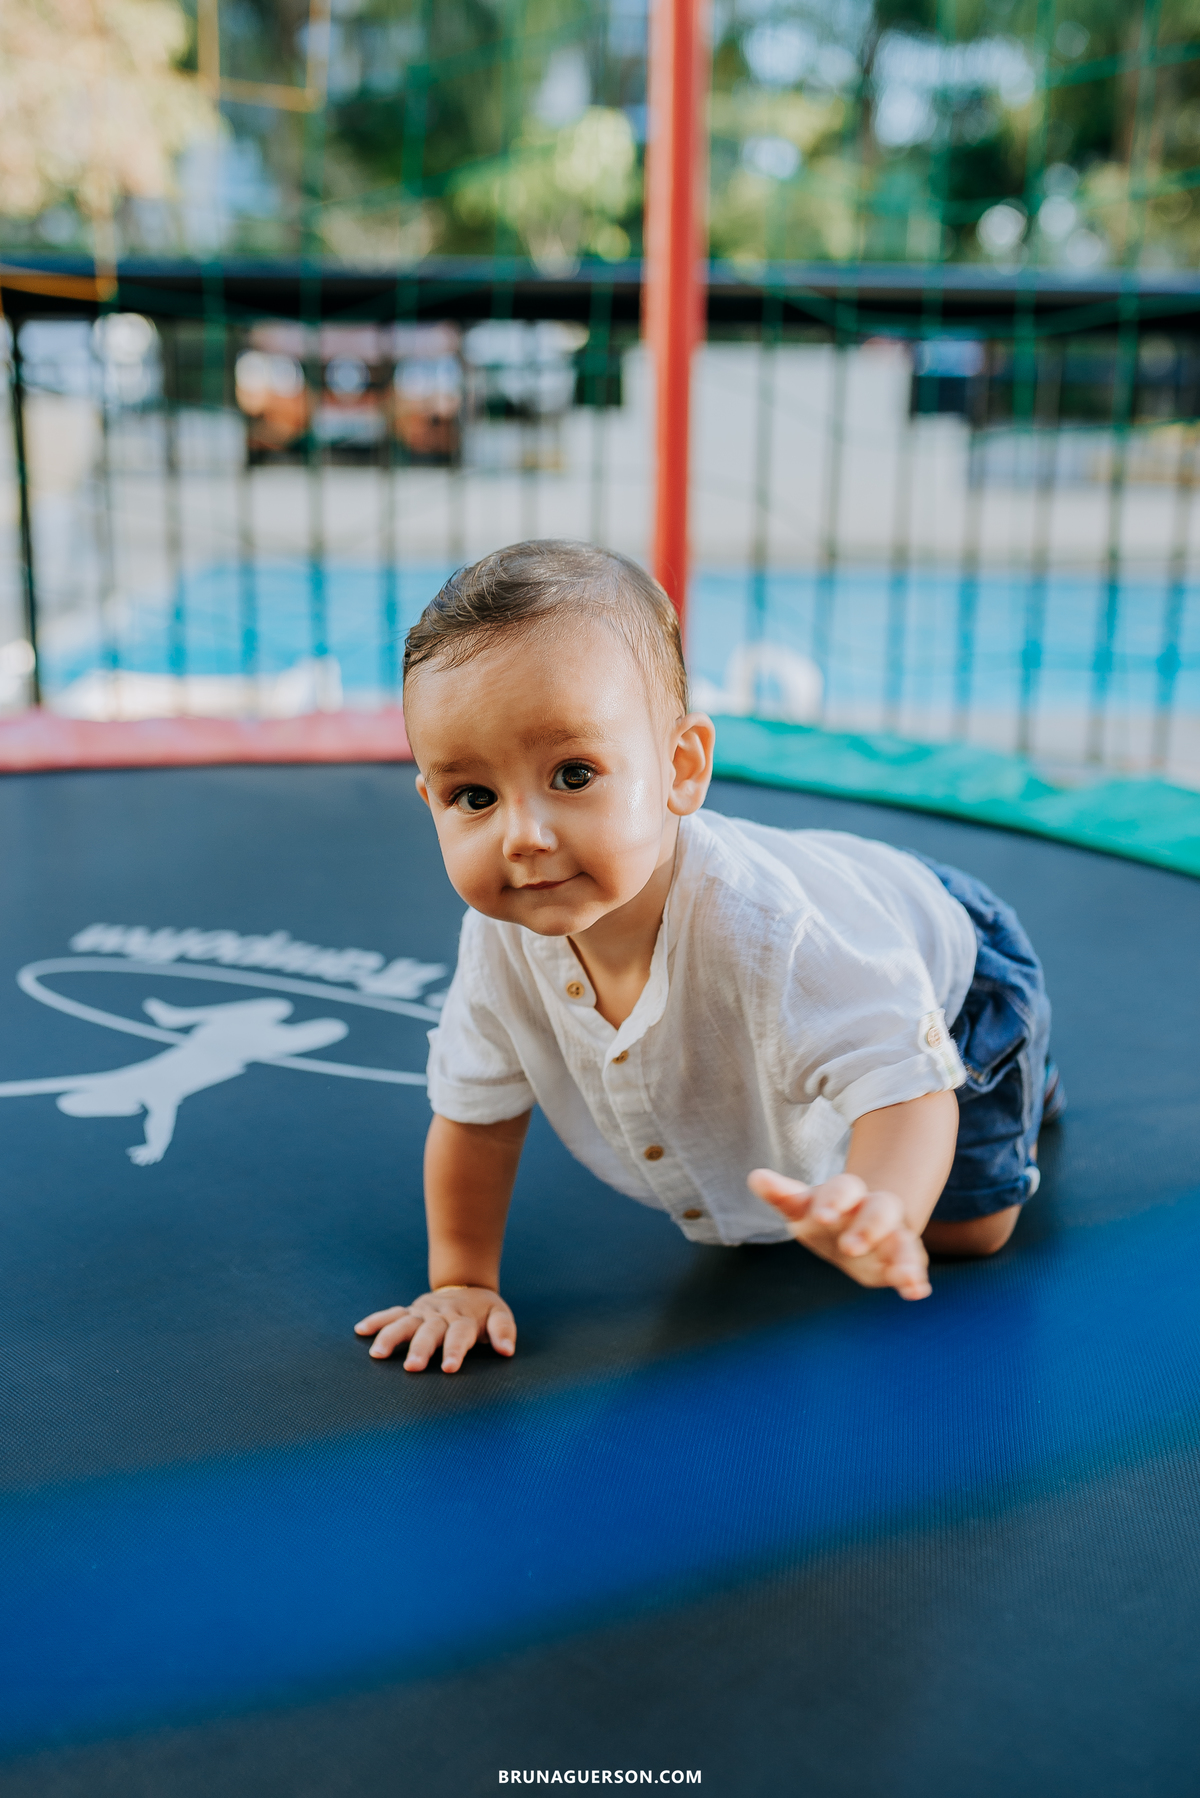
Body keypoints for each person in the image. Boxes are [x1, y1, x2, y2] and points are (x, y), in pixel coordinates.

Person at [356, 540, 1062, 1374]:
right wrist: (462, 1280)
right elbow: (476, 1116)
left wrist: (880, 1207)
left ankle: (1022, 1073)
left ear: (681, 768)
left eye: (574, 774)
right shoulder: (503, 937)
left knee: (965, 1234)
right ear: (429, 799)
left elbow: (909, 1093)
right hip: (833, 944)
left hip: (952, 966)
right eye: (473, 796)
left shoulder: (776, 935)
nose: (524, 836)